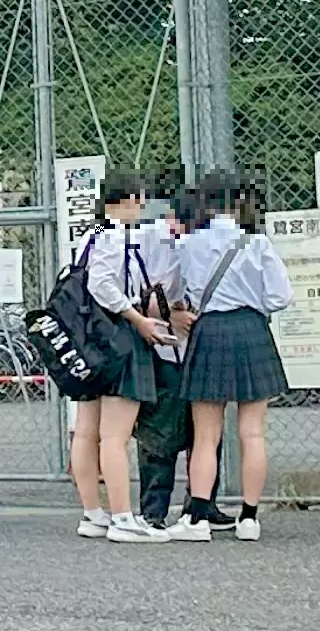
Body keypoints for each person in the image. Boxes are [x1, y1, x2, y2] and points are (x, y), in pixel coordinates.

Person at [168, 166, 293, 541]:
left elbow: (178, 289)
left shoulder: (189, 243)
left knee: (206, 434)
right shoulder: (257, 243)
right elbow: (281, 297)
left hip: (208, 332)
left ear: (204, 201)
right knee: (252, 432)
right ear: (239, 201)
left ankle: (199, 519)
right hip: (252, 331)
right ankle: (250, 519)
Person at [64, 173, 175, 541]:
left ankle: (93, 514)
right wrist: (137, 317)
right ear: (123, 199)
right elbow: (102, 285)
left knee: (86, 432)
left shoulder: (89, 236)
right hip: (118, 338)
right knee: (115, 435)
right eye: (139, 200)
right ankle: (124, 518)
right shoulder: (116, 236)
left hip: (86, 340)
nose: (142, 207)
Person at [134, 175, 200, 529]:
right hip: (160, 346)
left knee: (203, 430)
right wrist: (170, 314)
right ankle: (153, 510)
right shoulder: (145, 238)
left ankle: (200, 506)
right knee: (159, 431)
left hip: (198, 348)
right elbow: (130, 293)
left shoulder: (202, 240)